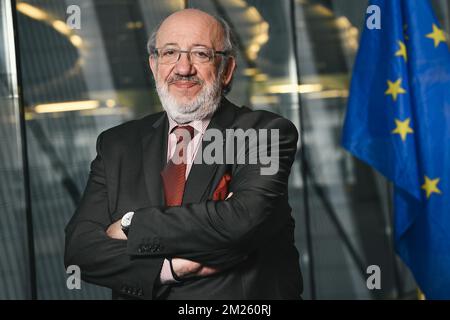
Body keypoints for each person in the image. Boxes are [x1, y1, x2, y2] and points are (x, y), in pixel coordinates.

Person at [64, 8, 302, 300]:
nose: (183, 68)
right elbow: (80, 250)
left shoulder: (264, 133)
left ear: (226, 69)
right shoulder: (117, 145)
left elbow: (242, 220)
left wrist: (130, 225)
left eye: (201, 54)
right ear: (154, 65)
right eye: (170, 53)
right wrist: (171, 268)